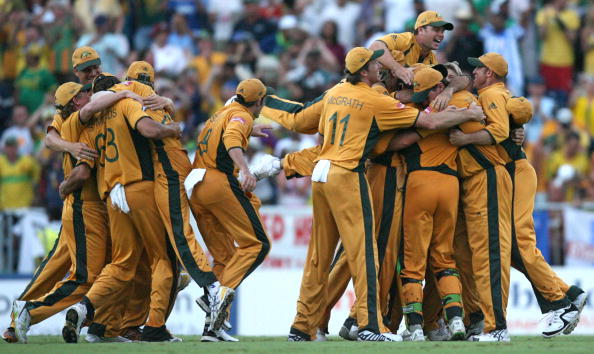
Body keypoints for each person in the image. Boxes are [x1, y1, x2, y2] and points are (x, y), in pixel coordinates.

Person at [281, 47, 484, 342]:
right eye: (376, 64)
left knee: (320, 258)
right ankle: (368, 325)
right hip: (364, 174)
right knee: (370, 254)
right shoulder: (377, 99)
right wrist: (463, 113)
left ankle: (303, 326)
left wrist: (271, 123)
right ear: (365, 71)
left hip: (324, 171)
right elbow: (419, 126)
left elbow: (302, 122)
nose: (382, 67)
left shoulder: (334, 92)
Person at [187, 79, 271, 340]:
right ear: (259, 101)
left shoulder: (220, 113)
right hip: (216, 182)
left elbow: (229, 131)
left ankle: (212, 327)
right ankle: (220, 294)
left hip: (195, 186)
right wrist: (245, 169)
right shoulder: (241, 116)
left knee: (224, 258)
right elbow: (233, 137)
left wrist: (249, 130)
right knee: (257, 244)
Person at [447, 52, 515, 341]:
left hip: (486, 176)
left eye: (478, 69)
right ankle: (487, 321)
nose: (474, 73)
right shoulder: (490, 94)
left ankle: (497, 326)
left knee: (490, 254)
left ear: (490, 73)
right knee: (479, 254)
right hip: (477, 179)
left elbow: (499, 130)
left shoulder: (491, 95)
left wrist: (465, 139)